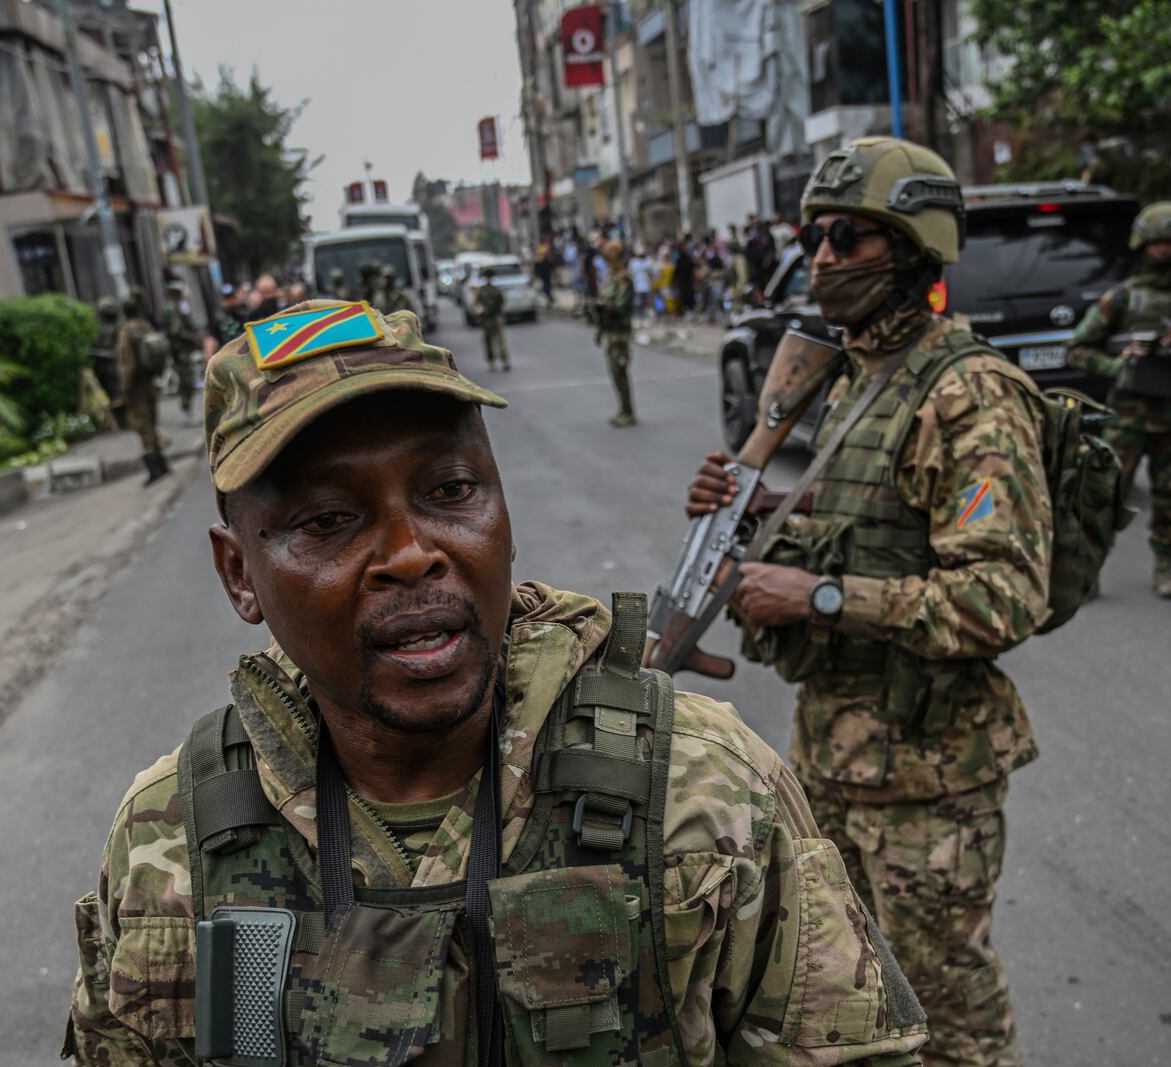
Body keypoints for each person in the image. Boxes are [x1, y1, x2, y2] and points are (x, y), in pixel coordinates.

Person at [64, 298, 929, 1067]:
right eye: (329, 520)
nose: (411, 552)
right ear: (238, 574)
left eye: (450, 489)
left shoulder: (706, 792)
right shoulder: (168, 837)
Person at [686, 137, 1051, 1067]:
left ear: (911, 246)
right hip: (836, 756)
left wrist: (819, 594)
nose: (822, 258)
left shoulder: (970, 395)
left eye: (849, 238)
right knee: (849, 1005)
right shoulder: (856, 378)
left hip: (929, 777)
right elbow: (866, 523)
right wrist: (759, 512)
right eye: (818, 237)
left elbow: (1005, 595)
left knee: (952, 1023)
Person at [1068, 201, 1171, 599]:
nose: (1165, 251)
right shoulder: (1122, 299)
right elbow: (1078, 349)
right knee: (1107, 494)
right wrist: (1119, 365)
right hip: (1128, 416)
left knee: (1170, 493)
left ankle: (1164, 566)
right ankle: (1091, 570)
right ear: (1143, 246)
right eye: (1158, 243)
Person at [114, 290, 170, 485]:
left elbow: (126, 364)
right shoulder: (145, 326)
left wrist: (125, 389)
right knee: (152, 423)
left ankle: (155, 468)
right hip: (150, 383)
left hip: (137, 388)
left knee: (142, 426)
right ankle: (162, 463)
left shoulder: (126, 331)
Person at [596, 240, 636, 427]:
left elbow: (620, 306)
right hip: (610, 333)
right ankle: (623, 409)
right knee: (614, 373)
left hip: (620, 334)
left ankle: (628, 411)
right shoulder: (610, 278)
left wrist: (604, 306)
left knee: (620, 373)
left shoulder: (623, 279)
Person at [161, 281, 202, 418]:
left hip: (183, 350)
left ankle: (187, 407)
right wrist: (192, 338)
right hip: (180, 351)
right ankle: (186, 407)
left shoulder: (178, 308)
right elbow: (175, 330)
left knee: (188, 378)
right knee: (187, 379)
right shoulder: (171, 309)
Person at [473, 272, 510, 371]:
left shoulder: (495, 289)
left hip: (496, 316)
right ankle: (491, 361)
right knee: (488, 340)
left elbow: (502, 301)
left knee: (500, 340)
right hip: (486, 318)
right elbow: (477, 304)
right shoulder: (481, 290)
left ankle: (504, 360)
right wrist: (481, 312)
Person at [205, 284, 244, 361]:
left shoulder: (245, 314)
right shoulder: (218, 320)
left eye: (232, 298)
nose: (230, 301)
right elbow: (211, 339)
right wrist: (210, 358)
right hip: (228, 355)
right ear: (223, 301)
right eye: (227, 299)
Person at [628, 246, 654, 320]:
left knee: (646, 302)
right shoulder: (633, 262)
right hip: (637, 286)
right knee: (637, 303)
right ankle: (638, 317)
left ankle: (644, 317)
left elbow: (651, 273)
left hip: (646, 285)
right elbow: (630, 273)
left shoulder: (648, 261)